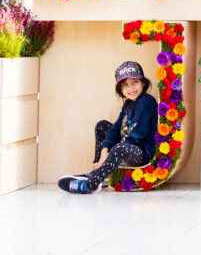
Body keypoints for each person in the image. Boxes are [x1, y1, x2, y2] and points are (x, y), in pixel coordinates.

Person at [57, 62, 157, 194]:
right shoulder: (128, 104)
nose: (131, 88)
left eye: (135, 82)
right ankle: (99, 173)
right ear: (121, 89)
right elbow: (115, 130)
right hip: (125, 146)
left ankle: (90, 184)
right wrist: (104, 152)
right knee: (102, 126)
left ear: (143, 83)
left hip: (141, 153)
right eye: (125, 84)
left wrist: (111, 151)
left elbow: (136, 135)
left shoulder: (147, 101)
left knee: (119, 147)